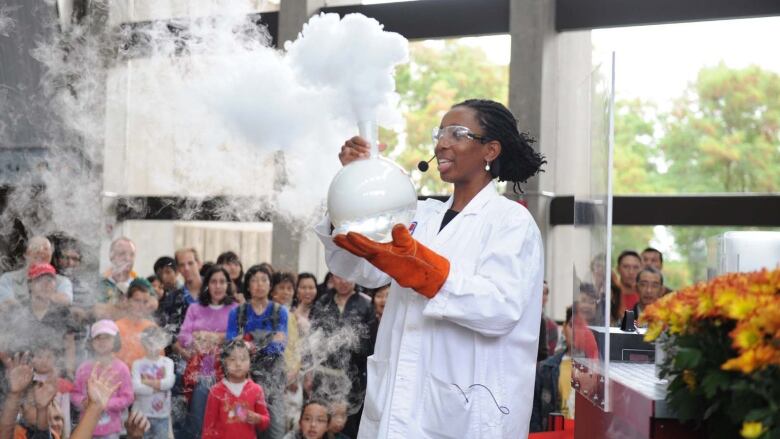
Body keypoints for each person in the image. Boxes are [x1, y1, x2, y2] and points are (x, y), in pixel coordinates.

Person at [317, 99, 545, 438]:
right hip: (398, 406)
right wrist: (353, 184)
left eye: (458, 133)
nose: (441, 143)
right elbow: (357, 267)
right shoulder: (420, 215)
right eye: (440, 133)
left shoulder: (511, 221)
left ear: (490, 150)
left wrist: (429, 276)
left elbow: (500, 308)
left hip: (464, 413)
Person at [226, 265, 288, 439]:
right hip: (243, 376)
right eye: (254, 280)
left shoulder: (279, 312)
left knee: (275, 427)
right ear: (247, 286)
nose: (259, 284)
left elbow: (279, 346)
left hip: (272, 376)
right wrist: (269, 339)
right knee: (242, 424)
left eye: (264, 280)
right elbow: (231, 344)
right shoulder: (237, 312)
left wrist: (248, 344)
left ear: (270, 285)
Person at [308, 275, 374, 438]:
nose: (344, 281)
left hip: (351, 377)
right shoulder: (323, 301)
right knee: (320, 420)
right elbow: (312, 336)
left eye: (348, 277)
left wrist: (349, 344)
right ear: (332, 278)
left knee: (346, 423)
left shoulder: (365, 303)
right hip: (323, 374)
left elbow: (370, 343)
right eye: (339, 277)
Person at [178, 266, 238, 438]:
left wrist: (209, 336)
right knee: (201, 391)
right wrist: (196, 342)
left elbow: (238, 336)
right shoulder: (195, 308)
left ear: (227, 285)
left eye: (222, 282)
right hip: (199, 364)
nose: (218, 286)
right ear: (207, 285)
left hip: (228, 366)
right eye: (213, 282)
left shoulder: (234, 308)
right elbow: (184, 336)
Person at [71, 320, 134, 439]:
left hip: (111, 430)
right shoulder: (83, 368)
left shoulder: (122, 368)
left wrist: (104, 404)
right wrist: (84, 402)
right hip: (86, 428)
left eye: (107, 337)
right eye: (98, 337)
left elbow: (128, 397)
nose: (102, 341)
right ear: (91, 342)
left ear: (115, 341)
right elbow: (75, 393)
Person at [202, 339, 270, 439]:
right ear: (224, 362)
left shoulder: (256, 390)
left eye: (243, 359)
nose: (238, 364)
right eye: (232, 359)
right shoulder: (216, 391)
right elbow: (208, 428)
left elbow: (265, 421)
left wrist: (258, 418)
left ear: (250, 362)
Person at [530, 306, 575, 432]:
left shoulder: (600, 371)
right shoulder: (545, 369)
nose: (577, 332)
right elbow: (535, 419)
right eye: (572, 325)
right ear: (565, 327)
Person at [0, 236, 73, 306]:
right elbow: (5, 304)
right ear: (26, 254)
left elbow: (66, 301)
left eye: (45, 248)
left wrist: (41, 295)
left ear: (51, 254)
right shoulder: (8, 278)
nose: (41, 251)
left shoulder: (62, 281)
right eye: (36, 248)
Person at [131, 326, 175, 439]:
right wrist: (157, 387)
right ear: (143, 343)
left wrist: (145, 381)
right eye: (149, 342)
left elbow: (169, 383)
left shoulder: (168, 362)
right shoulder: (137, 364)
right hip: (142, 415)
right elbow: (136, 387)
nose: (153, 346)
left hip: (162, 415)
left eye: (156, 341)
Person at [115, 278, 159, 370]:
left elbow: (159, 361)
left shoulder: (152, 328)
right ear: (127, 300)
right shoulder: (116, 327)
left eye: (145, 302)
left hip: (146, 380)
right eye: (137, 301)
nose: (141, 306)